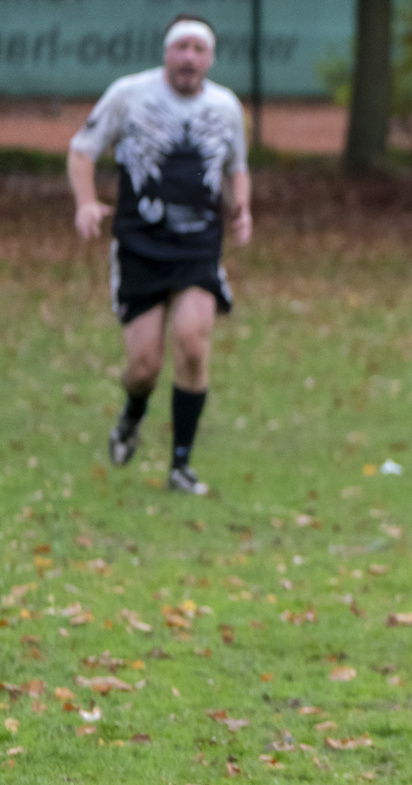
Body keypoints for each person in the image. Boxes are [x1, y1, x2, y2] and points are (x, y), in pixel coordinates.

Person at [68, 13, 250, 496]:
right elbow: (82, 150)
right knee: (144, 366)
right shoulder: (130, 95)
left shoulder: (226, 106)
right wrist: (86, 203)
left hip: (198, 247)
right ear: (166, 52)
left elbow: (235, 169)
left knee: (193, 343)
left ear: (210, 58)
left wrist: (241, 209)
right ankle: (132, 415)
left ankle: (181, 465)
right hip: (141, 247)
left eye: (199, 49)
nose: (189, 58)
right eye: (181, 48)